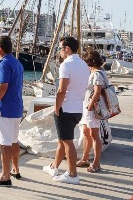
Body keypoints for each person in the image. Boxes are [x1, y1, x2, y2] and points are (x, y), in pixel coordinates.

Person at [43, 36, 89, 184]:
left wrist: (57, 108)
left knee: (67, 142)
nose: (59, 52)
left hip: (66, 108)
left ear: (67, 49)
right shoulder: (83, 64)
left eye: (60, 48)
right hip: (77, 108)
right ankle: (54, 167)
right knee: (62, 140)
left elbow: (61, 90)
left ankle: (72, 174)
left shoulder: (66, 65)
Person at [0, 35, 24, 186]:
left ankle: (5, 176)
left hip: (5, 109)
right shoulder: (17, 63)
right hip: (16, 108)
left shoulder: (3, 64)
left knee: (4, 144)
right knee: (13, 141)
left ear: (0, 49)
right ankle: (15, 169)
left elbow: (2, 86)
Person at [77, 48, 107, 173]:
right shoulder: (98, 72)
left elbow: (97, 92)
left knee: (95, 135)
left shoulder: (97, 74)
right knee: (86, 132)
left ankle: (96, 163)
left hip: (92, 108)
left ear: (89, 62)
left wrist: (89, 106)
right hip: (88, 107)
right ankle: (85, 158)